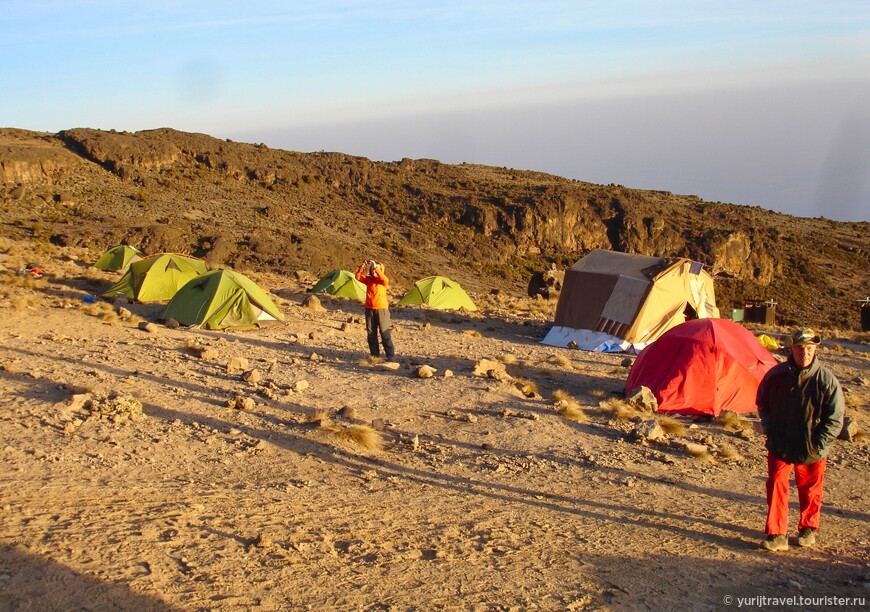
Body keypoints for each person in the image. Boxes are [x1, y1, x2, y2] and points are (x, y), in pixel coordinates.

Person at [756, 327, 844, 552]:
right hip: (780, 443)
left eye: (810, 348)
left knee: (811, 488)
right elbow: (762, 403)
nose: (805, 353)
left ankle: (808, 528)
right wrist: (770, 430)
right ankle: (777, 533)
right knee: (776, 484)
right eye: (800, 348)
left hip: (811, 445)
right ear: (792, 349)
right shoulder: (775, 376)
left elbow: (835, 417)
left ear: (816, 349)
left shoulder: (826, 380)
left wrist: (819, 444)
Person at [355, 259, 395, 361]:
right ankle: (374, 355)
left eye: (375, 268)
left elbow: (384, 278)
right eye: (372, 268)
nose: (373, 270)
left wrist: (376, 267)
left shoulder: (382, 281)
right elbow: (358, 277)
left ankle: (390, 356)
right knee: (371, 333)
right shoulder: (369, 280)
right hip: (369, 309)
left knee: (384, 333)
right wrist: (363, 266)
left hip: (382, 310)